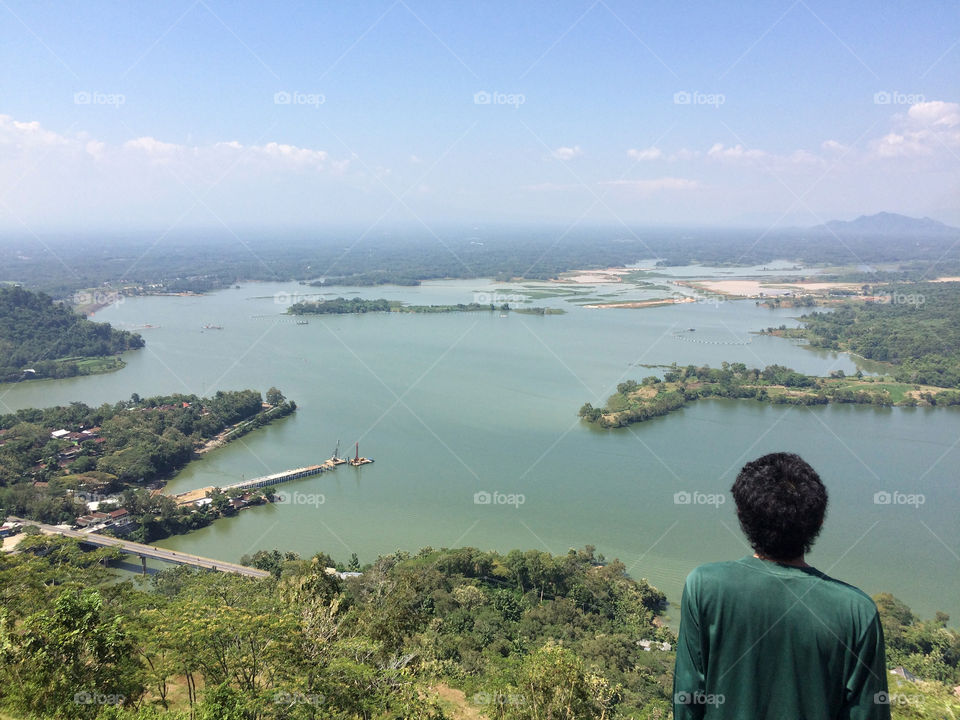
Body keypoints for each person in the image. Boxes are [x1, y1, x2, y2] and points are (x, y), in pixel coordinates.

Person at [673, 452, 890, 719]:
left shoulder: (704, 587)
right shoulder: (857, 612)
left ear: (741, 516)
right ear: (819, 523)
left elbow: (687, 700)